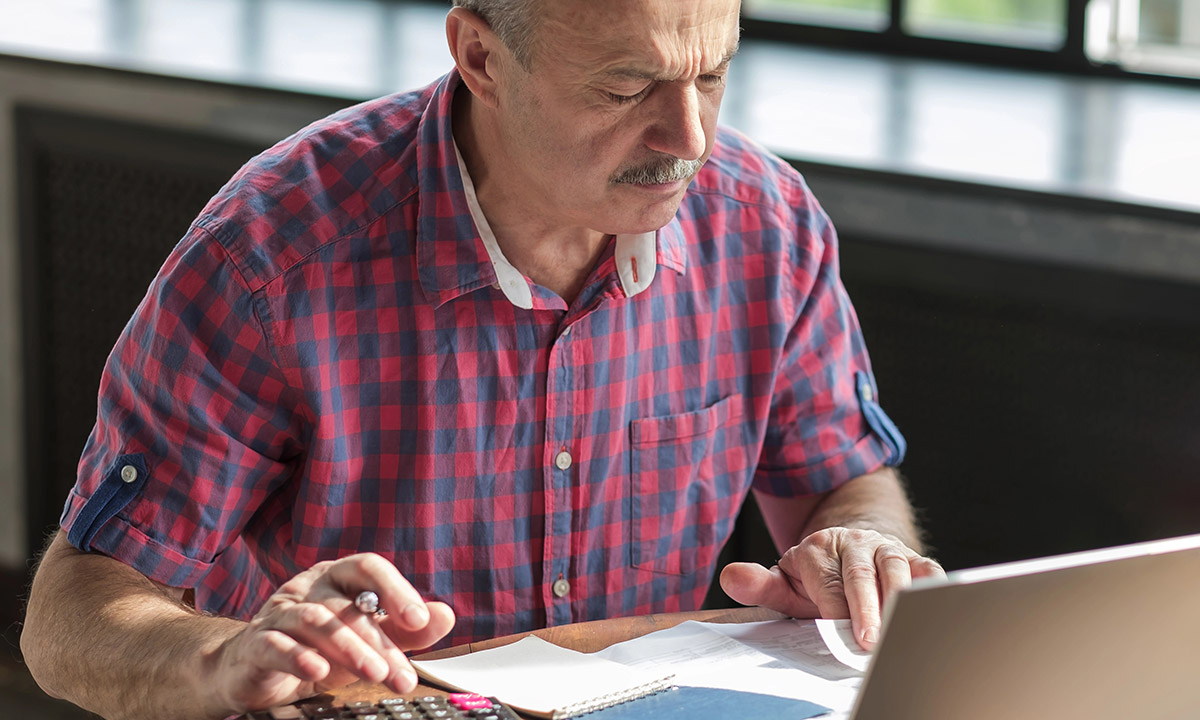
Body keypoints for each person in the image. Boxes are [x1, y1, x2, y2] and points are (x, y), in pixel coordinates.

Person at [21, 0, 945, 718]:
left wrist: (864, 548)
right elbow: (71, 615)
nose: (689, 140)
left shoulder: (766, 223)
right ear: (481, 58)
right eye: (626, 90)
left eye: (711, 76)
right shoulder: (274, 254)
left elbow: (839, 482)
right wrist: (221, 660)